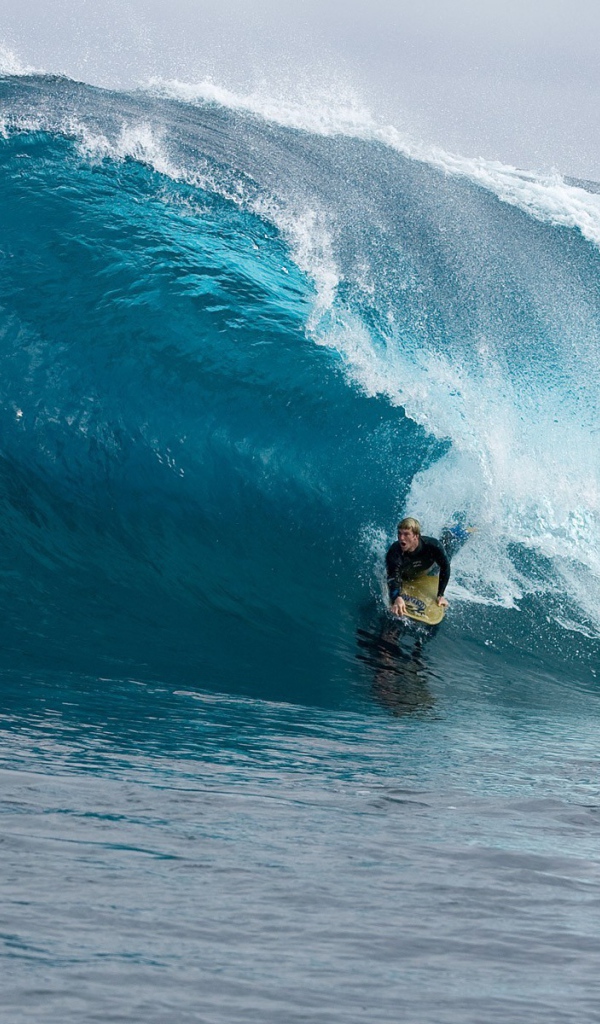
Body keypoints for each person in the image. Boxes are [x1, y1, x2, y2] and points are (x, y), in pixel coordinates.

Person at [386, 517, 450, 618]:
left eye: (406, 534)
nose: (401, 538)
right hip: (406, 574)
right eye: (399, 533)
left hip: (429, 570)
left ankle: (459, 531)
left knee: (449, 547)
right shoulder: (395, 552)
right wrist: (396, 597)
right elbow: (393, 576)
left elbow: (445, 567)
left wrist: (440, 595)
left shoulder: (432, 546)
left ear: (416, 536)